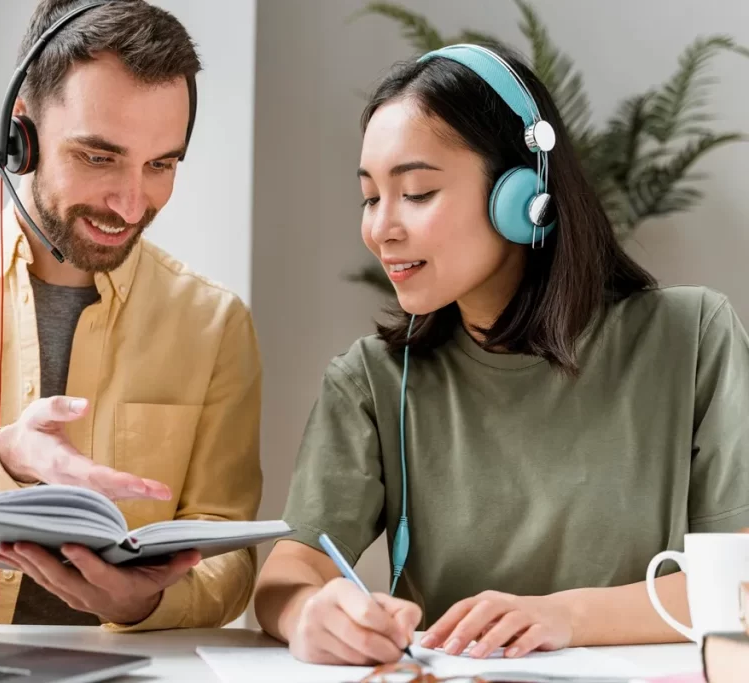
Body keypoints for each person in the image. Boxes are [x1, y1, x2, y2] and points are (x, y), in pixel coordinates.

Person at [254, 43, 749, 666]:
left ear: (524, 195)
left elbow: (743, 585)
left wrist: (563, 616)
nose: (381, 228)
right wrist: (311, 616)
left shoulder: (693, 336)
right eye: (370, 197)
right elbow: (288, 573)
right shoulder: (372, 380)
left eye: (416, 192)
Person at [0, 0, 262, 631]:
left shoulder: (215, 325)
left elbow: (228, 555)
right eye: (98, 157)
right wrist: (1, 459)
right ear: (22, 136)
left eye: (161, 165)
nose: (129, 202)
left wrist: (148, 601)